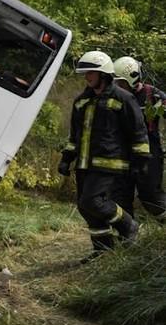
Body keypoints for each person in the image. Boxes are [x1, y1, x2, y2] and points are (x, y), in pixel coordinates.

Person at [60, 51, 150, 260]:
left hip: (110, 163)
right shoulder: (81, 101)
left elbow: (138, 131)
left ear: (104, 74)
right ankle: (102, 250)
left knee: (93, 201)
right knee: (85, 207)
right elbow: (74, 135)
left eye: (91, 72)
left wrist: (141, 161)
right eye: (85, 73)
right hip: (84, 164)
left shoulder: (123, 98)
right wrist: (66, 158)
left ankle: (128, 225)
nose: (87, 77)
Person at [112, 56, 166, 220]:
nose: (117, 86)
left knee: (151, 197)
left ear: (132, 78)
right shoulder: (115, 97)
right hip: (123, 152)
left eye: (121, 82)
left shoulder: (153, 95)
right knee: (121, 197)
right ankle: (128, 232)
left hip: (149, 152)